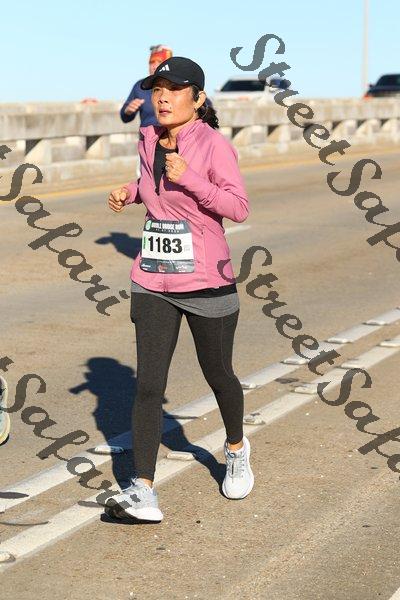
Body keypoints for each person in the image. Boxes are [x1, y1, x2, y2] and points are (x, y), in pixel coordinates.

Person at [106, 56, 253, 523]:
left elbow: (238, 207)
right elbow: (154, 186)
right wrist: (131, 192)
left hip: (207, 280)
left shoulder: (213, 145)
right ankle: (143, 490)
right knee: (149, 385)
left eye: (173, 89)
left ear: (198, 97)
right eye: (157, 89)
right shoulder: (149, 137)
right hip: (153, 278)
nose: (163, 97)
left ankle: (236, 448)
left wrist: (190, 177)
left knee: (219, 375)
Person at [120, 45, 173, 127]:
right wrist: (127, 111)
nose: (154, 66)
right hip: (147, 133)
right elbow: (124, 118)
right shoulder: (140, 86)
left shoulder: (178, 84)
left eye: (159, 62)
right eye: (151, 62)